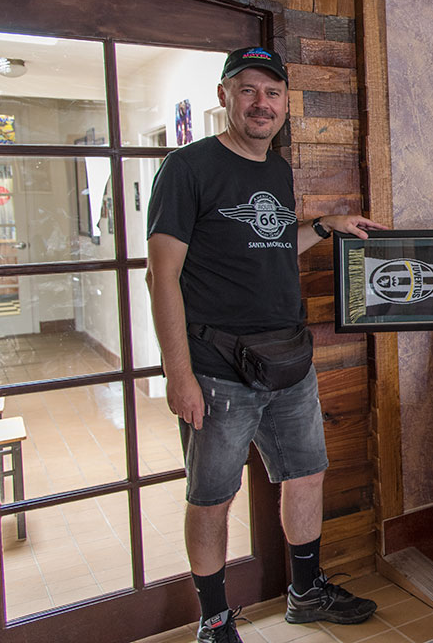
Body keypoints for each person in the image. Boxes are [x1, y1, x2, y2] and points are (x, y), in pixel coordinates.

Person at [146, 46, 387, 643]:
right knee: (212, 497)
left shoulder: (277, 170)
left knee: (305, 474)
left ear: (284, 104)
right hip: (217, 368)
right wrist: (179, 374)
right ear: (224, 96)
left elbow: (272, 240)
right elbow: (161, 276)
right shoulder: (187, 168)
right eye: (248, 90)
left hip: (289, 361)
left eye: (272, 92)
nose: (262, 103)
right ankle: (214, 620)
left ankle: (305, 592)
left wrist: (324, 227)